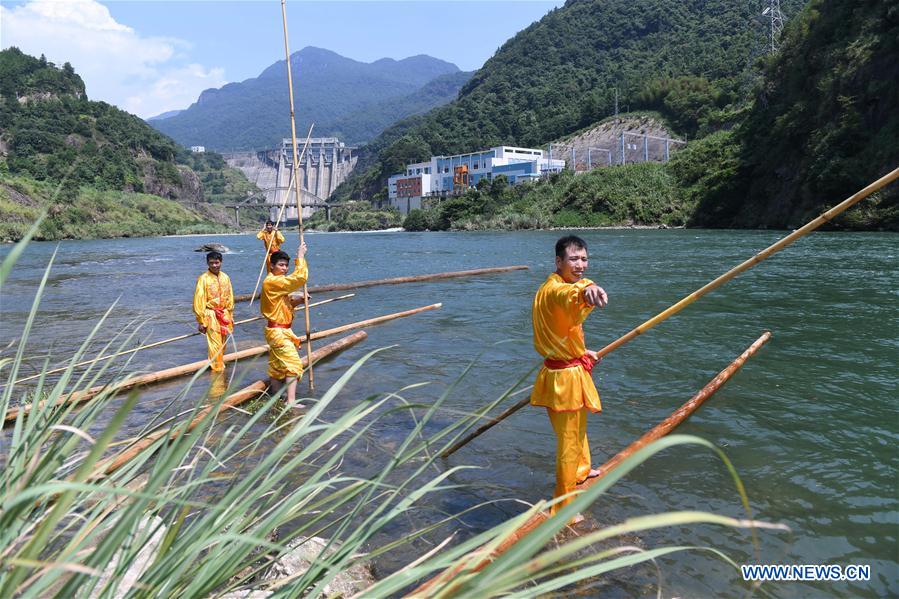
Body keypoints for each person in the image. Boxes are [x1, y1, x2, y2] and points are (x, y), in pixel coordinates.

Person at [530, 235, 609, 521]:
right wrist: (588, 291)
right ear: (558, 261)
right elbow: (573, 295)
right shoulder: (555, 291)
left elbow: (560, 328)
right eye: (574, 259)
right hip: (563, 379)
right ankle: (562, 506)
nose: (580, 265)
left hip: (562, 368)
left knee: (577, 431)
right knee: (568, 442)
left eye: (584, 259)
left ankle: (581, 470)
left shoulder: (551, 287)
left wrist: (579, 351)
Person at [261, 243, 309, 405]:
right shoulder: (272, 282)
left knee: (277, 366)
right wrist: (300, 257)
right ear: (272, 265)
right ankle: (291, 401)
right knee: (294, 365)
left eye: (286, 265)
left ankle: (275, 396)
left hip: (279, 330)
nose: (284, 268)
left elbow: (284, 306)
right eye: (281, 265)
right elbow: (299, 278)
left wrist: (299, 301)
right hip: (278, 332)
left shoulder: (277, 283)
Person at [192, 250, 234, 372]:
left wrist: (230, 315)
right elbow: (199, 300)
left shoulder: (226, 277)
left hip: (224, 313)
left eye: (217, 262)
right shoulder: (203, 279)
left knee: (223, 344)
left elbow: (230, 297)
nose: (214, 265)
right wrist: (201, 321)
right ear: (207, 264)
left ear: (221, 262)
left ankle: (219, 366)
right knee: (215, 345)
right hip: (210, 315)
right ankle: (218, 371)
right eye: (212, 263)